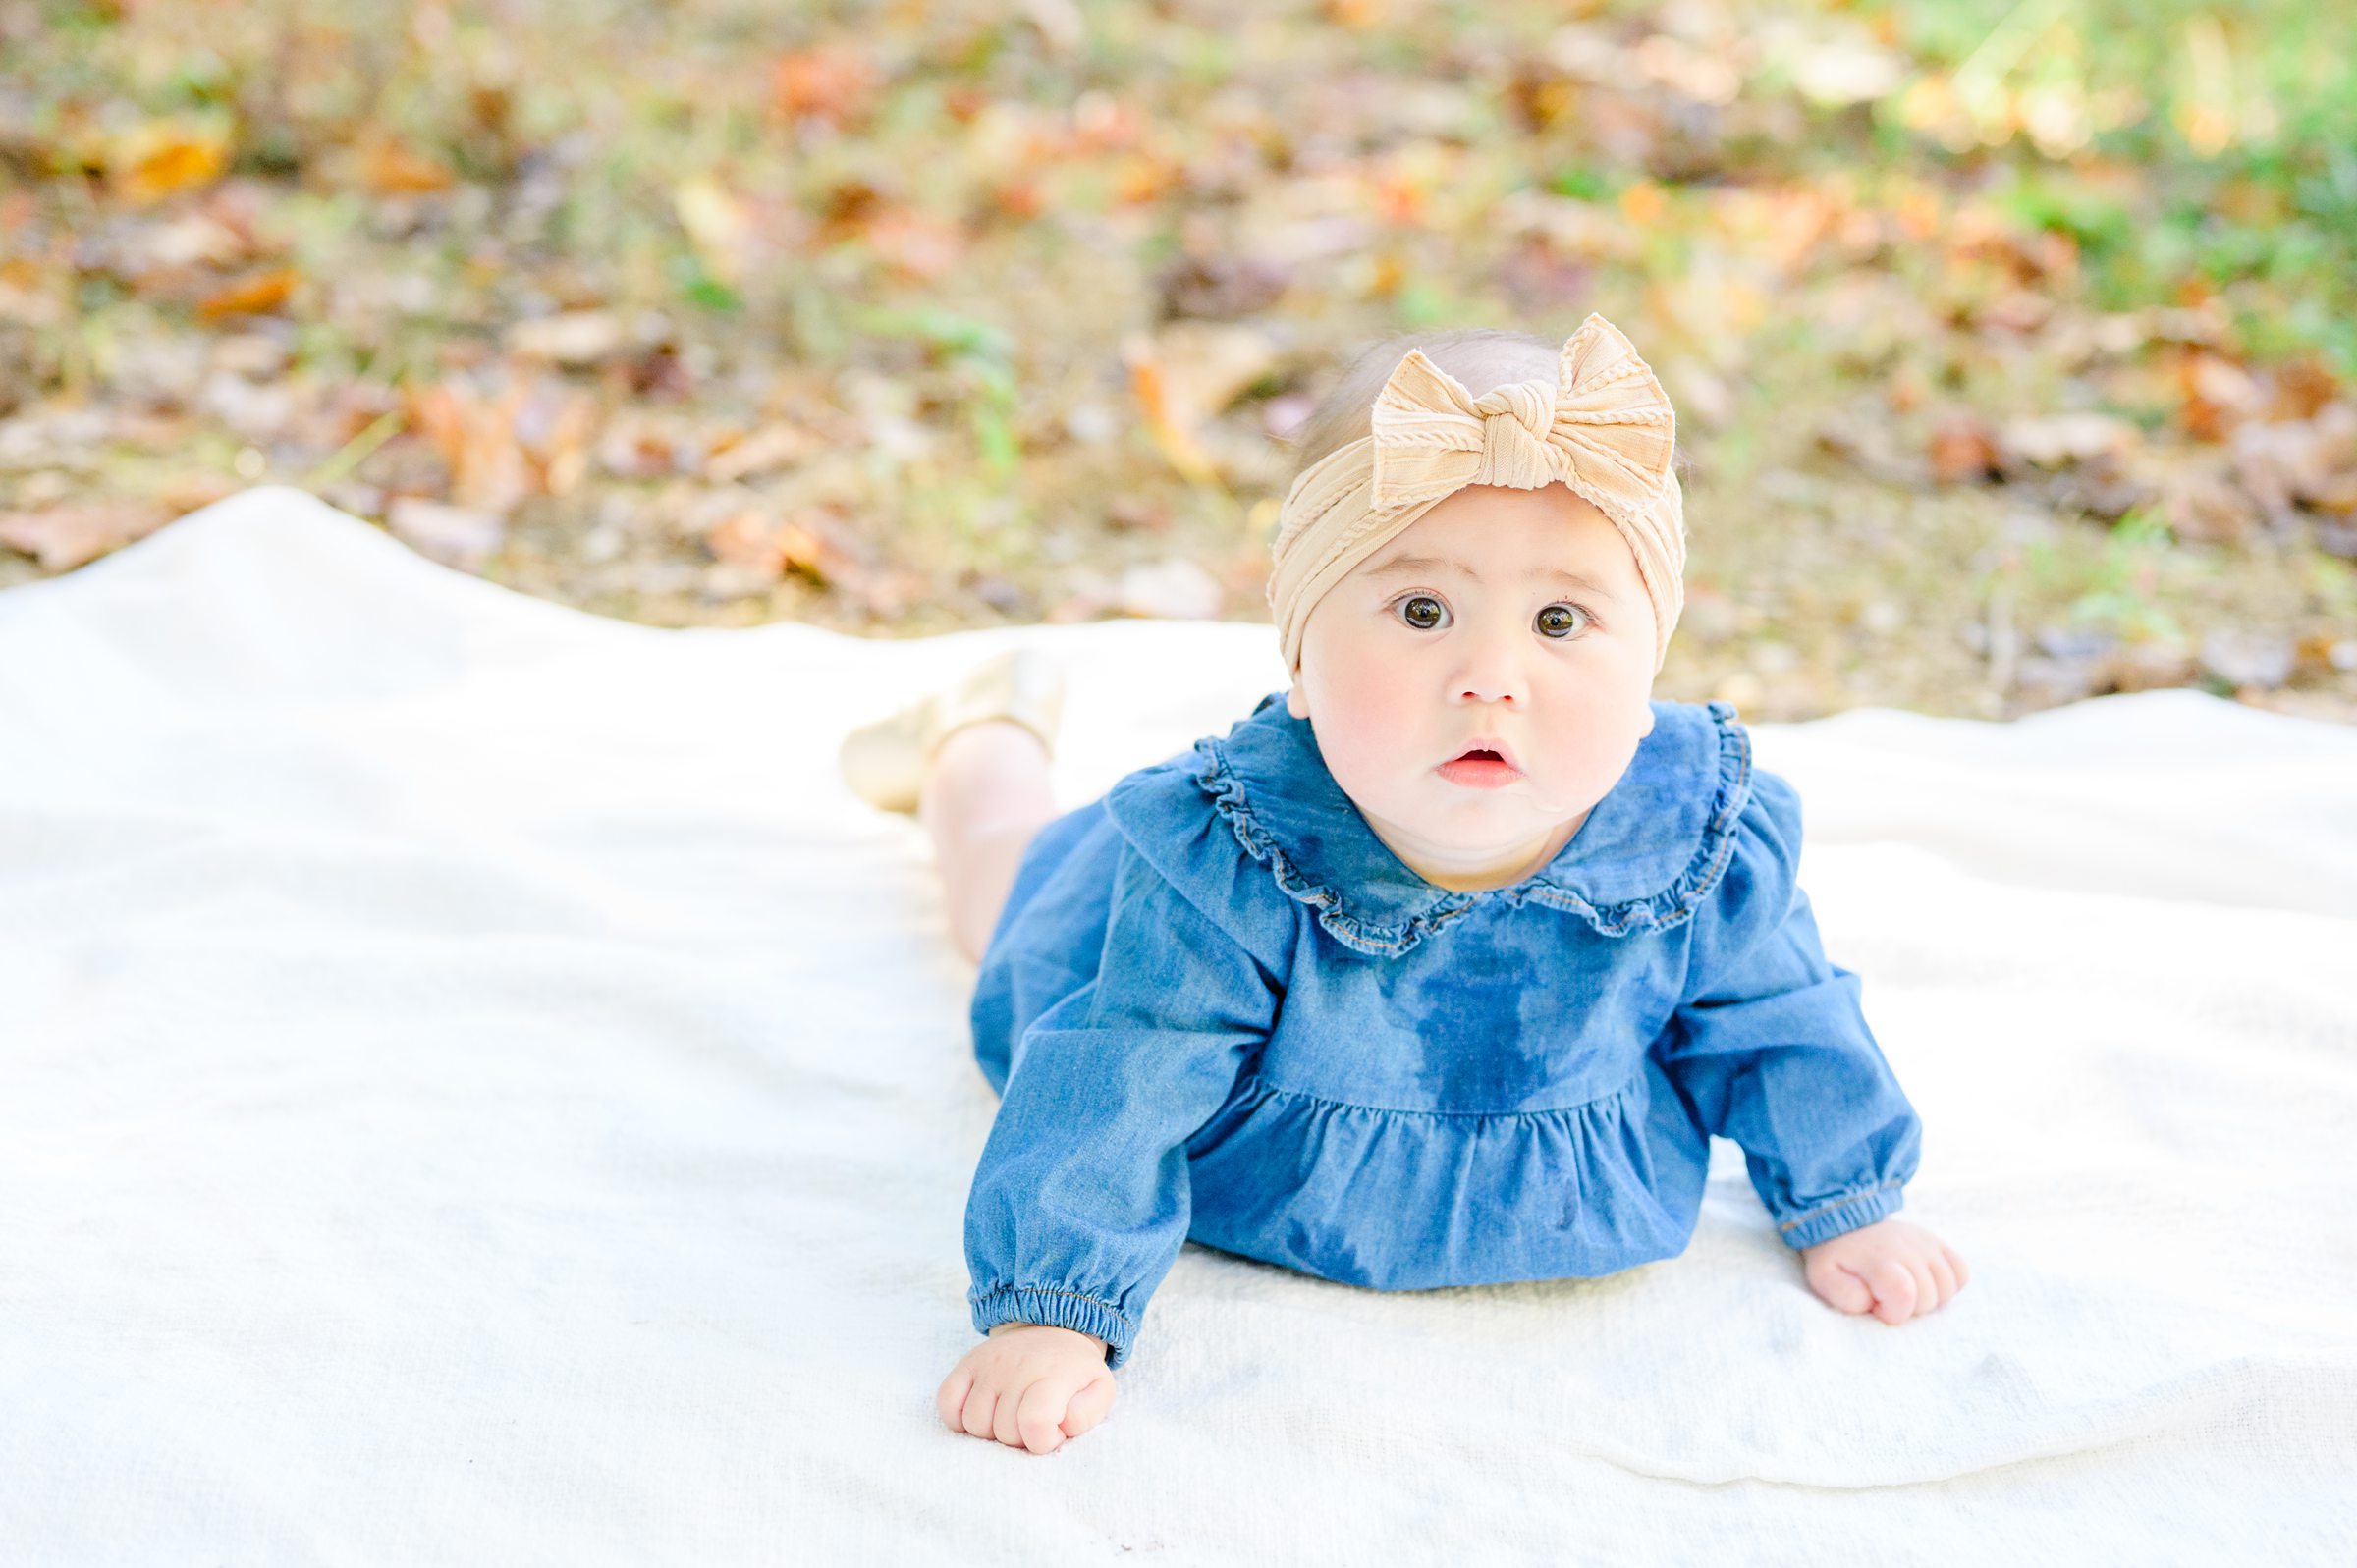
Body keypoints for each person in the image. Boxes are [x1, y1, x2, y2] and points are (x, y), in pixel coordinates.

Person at [838, 313, 1969, 1457]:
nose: (1490, 678)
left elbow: (1780, 1023)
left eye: (1561, 620)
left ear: (1652, 660)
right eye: (1422, 611)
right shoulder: (1224, 861)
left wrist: (1847, 1201)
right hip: (1189, 1056)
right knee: (999, 903)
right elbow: (1122, 1073)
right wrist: (1054, 1311)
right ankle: (978, 741)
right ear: (1298, 653)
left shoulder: (1695, 839)